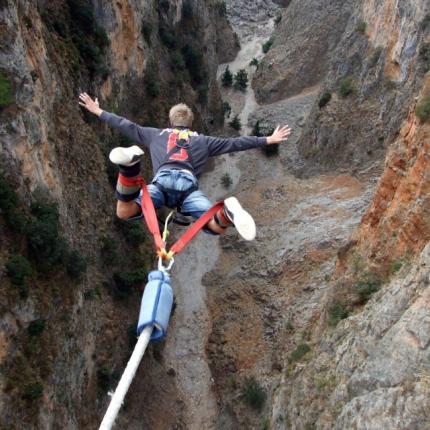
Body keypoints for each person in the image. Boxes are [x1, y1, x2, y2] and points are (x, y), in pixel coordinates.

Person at [78, 93, 291, 240]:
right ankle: (227, 212)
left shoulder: (156, 134)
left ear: (170, 122)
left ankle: (129, 169)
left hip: (161, 182)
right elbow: (234, 143)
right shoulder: (204, 141)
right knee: (213, 224)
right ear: (191, 125)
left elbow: (126, 125)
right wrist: (267, 139)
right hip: (188, 188)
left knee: (125, 211)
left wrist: (98, 110)